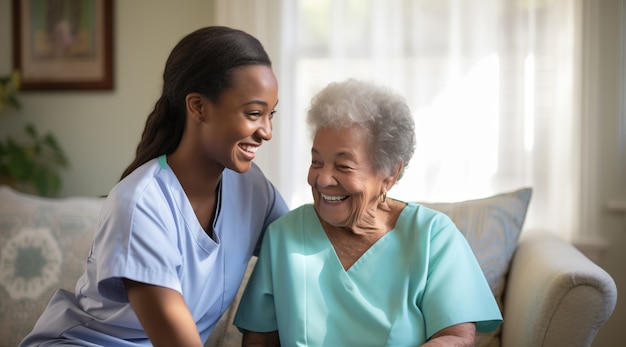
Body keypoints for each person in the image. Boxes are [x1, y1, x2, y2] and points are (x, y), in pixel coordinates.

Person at [19, 26, 289, 347]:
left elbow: (297, 249)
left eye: (270, 115)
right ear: (198, 106)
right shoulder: (140, 203)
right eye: (254, 114)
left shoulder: (253, 188)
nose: (267, 132)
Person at [233, 79, 502, 346]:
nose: (323, 179)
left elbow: (455, 336)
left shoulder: (433, 235)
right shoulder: (284, 234)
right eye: (317, 161)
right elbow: (260, 339)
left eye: (343, 166)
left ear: (389, 173)